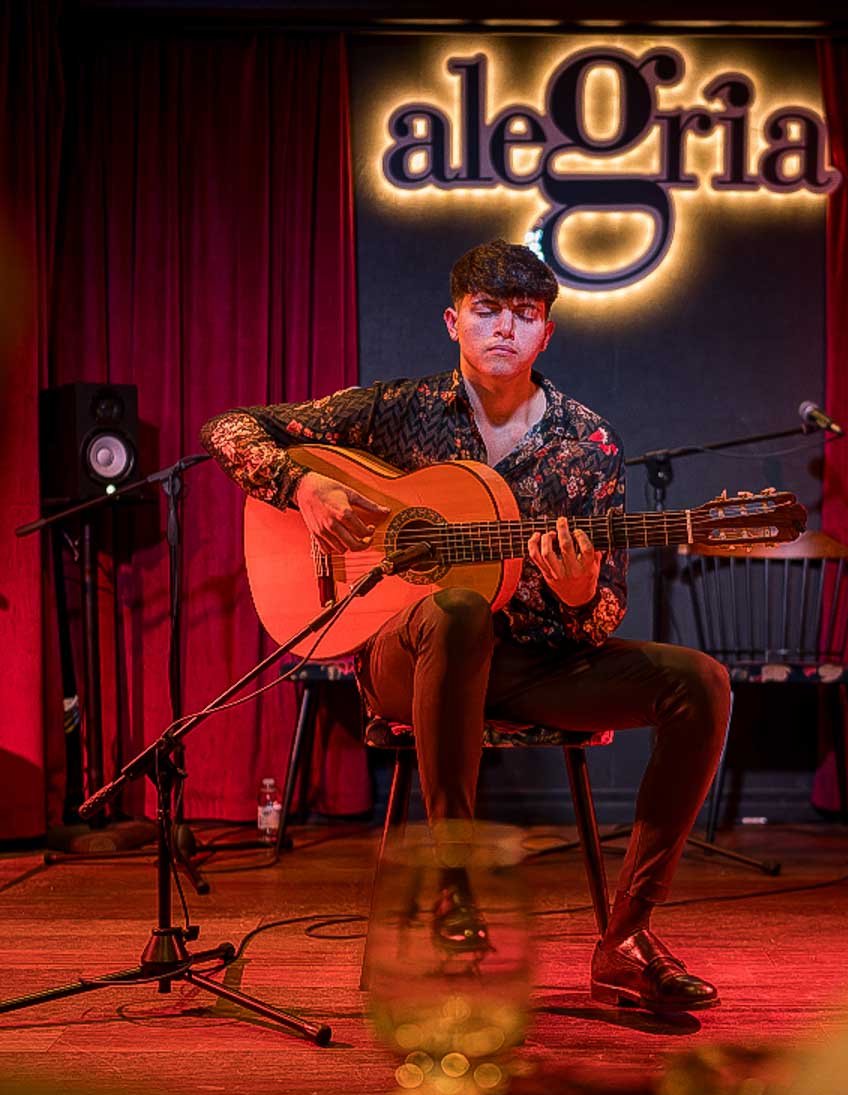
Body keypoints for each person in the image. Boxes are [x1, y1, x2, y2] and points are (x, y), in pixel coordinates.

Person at [201, 238, 730, 1014]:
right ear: (454, 321)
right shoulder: (398, 411)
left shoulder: (588, 445)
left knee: (700, 681)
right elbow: (231, 426)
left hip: (529, 670)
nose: (505, 330)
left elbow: (604, 614)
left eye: (525, 315)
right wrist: (305, 483)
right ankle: (454, 893)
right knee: (455, 611)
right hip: (406, 663)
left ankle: (627, 938)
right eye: (487, 312)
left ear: (547, 333)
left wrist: (581, 594)